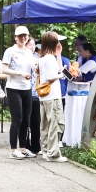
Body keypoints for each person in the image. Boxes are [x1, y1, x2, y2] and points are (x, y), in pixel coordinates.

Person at [2, 26, 37, 160]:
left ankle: (23, 148)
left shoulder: (29, 52)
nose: (23, 38)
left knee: (26, 120)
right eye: (20, 36)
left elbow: (32, 68)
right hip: (13, 88)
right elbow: (4, 69)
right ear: (15, 37)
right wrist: (20, 73)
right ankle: (13, 150)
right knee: (17, 118)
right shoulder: (10, 51)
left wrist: (36, 67)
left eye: (25, 35)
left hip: (27, 88)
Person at [37, 31, 68, 162]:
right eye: (58, 42)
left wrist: (59, 54)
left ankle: (45, 150)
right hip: (53, 96)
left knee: (45, 124)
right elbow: (52, 76)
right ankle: (53, 154)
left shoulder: (43, 58)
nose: (59, 44)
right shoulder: (49, 59)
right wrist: (63, 76)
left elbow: (59, 69)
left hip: (44, 97)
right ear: (53, 43)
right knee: (56, 123)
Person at [24, 36, 42, 155]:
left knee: (36, 120)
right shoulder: (21, 57)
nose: (33, 47)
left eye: (34, 45)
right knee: (25, 121)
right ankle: (24, 145)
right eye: (30, 44)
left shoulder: (37, 58)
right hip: (24, 92)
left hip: (36, 93)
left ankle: (36, 146)